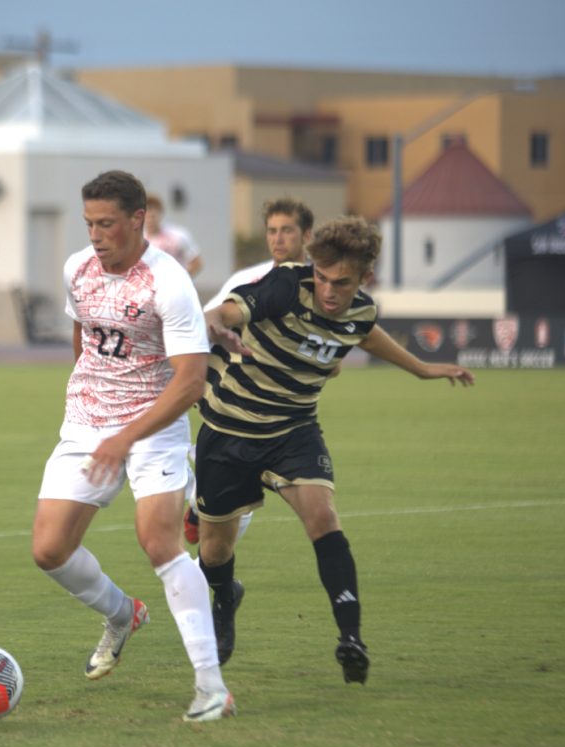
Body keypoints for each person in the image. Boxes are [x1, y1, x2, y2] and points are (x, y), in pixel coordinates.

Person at [196, 215, 475, 683]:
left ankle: (351, 638)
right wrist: (214, 323)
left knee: (324, 518)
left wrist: (421, 369)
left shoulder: (361, 310)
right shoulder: (287, 285)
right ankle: (225, 598)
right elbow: (230, 311)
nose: (328, 290)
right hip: (230, 430)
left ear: (364, 279)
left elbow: (365, 332)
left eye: (341, 283)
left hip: (294, 431)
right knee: (214, 551)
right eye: (322, 278)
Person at [31, 170, 235, 722]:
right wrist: (95, 412)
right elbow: (85, 338)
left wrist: (126, 436)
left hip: (155, 425)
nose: (96, 235)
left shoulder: (168, 283)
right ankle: (122, 614)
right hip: (87, 426)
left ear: (138, 219)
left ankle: (211, 687)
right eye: (89, 223)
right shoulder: (78, 268)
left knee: (159, 542)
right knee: (49, 550)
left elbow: (190, 382)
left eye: (107, 224)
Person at [182, 197, 318, 548]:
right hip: (230, 397)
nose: (278, 238)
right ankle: (201, 509)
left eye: (287, 230)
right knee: (225, 491)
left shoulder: (322, 284)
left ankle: (209, 569)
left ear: (307, 235)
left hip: (285, 406)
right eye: (272, 231)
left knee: (241, 500)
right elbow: (206, 322)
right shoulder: (248, 279)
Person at [144, 193, 203, 277]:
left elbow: (196, 263)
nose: (150, 217)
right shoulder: (139, 241)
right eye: (147, 212)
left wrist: (182, 281)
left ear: (160, 213)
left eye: (153, 213)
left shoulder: (178, 235)